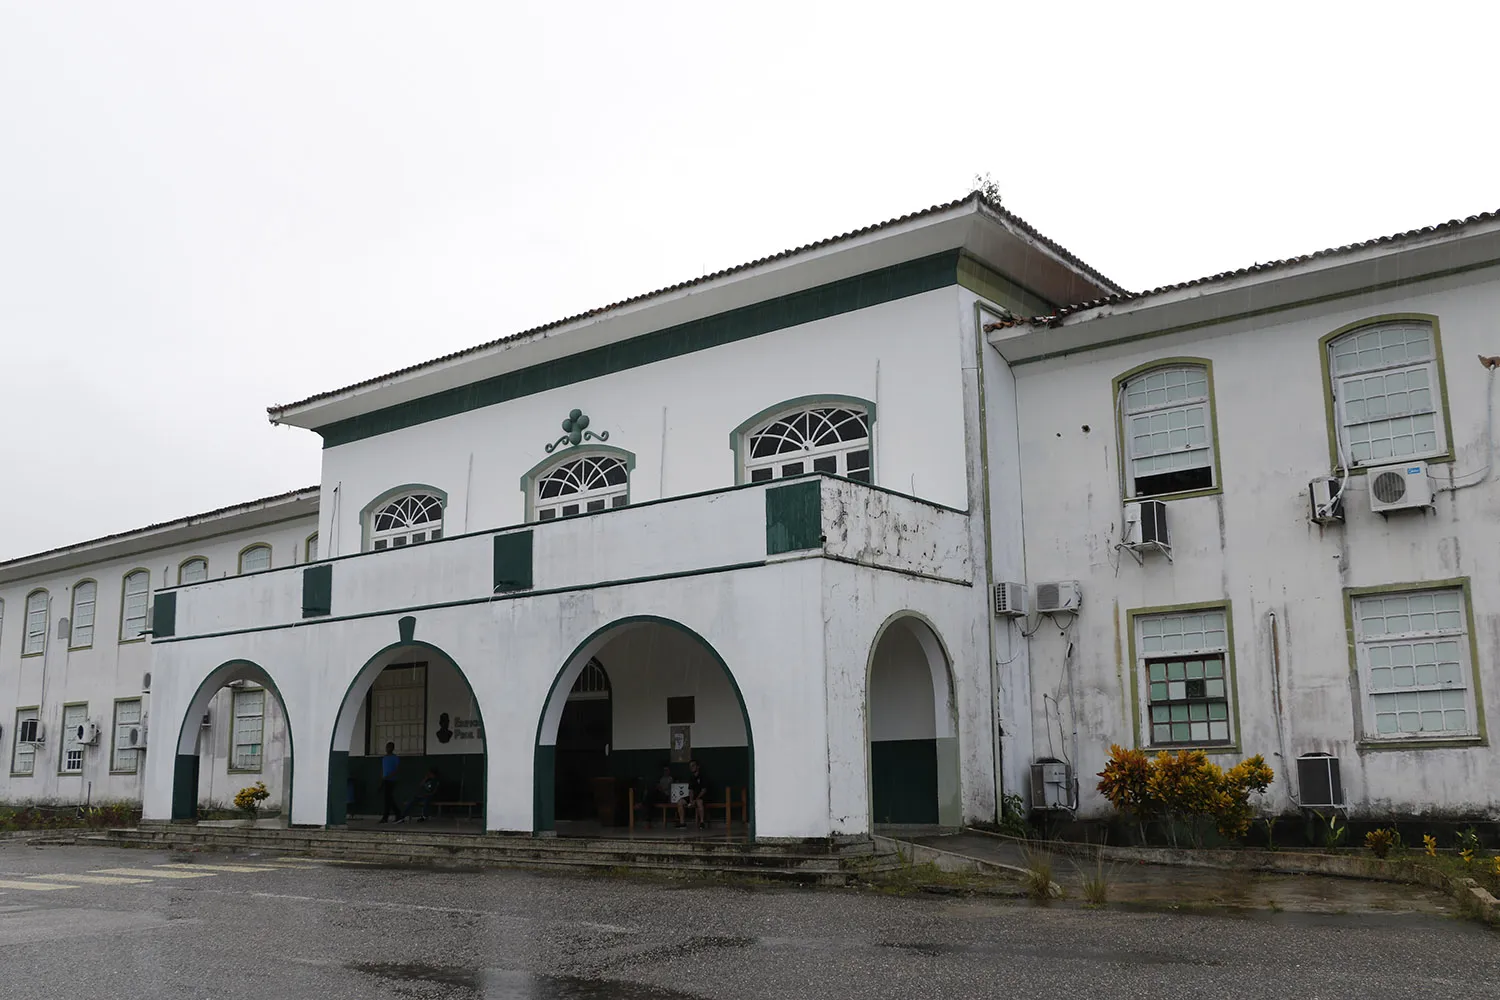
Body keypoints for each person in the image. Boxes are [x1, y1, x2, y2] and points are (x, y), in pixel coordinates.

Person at [676, 759, 709, 830]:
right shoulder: (691, 778)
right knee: (680, 802)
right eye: (690, 766)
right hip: (693, 797)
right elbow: (690, 790)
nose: (692, 767)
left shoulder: (703, 777)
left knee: (699, 802)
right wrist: (691, 800)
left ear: (698, 766)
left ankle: (702, 822)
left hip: (701, 796)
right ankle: (682, 823)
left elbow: (704, 790)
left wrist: (695, 800)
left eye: (693, 765)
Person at [378, 742, 403, 823]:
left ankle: (387, 817)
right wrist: (382, 777)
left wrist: (390, 776)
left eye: (389, 747)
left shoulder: (395, 758)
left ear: (392, 748)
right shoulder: (384, 758)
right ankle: (397, 814)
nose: (388, 749)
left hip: (391, 780)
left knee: (388, 799)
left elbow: (397, 769)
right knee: (388, 799)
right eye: (387, 747)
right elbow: (383, 769)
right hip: (385, 780)